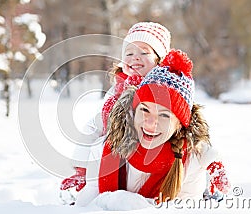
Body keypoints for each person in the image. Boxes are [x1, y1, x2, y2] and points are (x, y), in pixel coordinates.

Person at [74, 49, 230, 206]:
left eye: (164, 115)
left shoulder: (191, 162)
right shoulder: (105, 149)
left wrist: (134, 205)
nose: (150, 122)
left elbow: (185, 208)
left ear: (180, 125)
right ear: (134, 110)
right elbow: (87, 205)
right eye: (145, 110)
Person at [60, 22, 172, 192]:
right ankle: (86, 179)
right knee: (93, 131)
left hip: (153, 155)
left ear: (159, 60)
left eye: (144, 52)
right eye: (129, 53)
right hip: (117, 157)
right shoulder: (118, 88)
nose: (135, 57)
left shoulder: (167, 88)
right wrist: (82, 169)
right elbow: (99, 123)